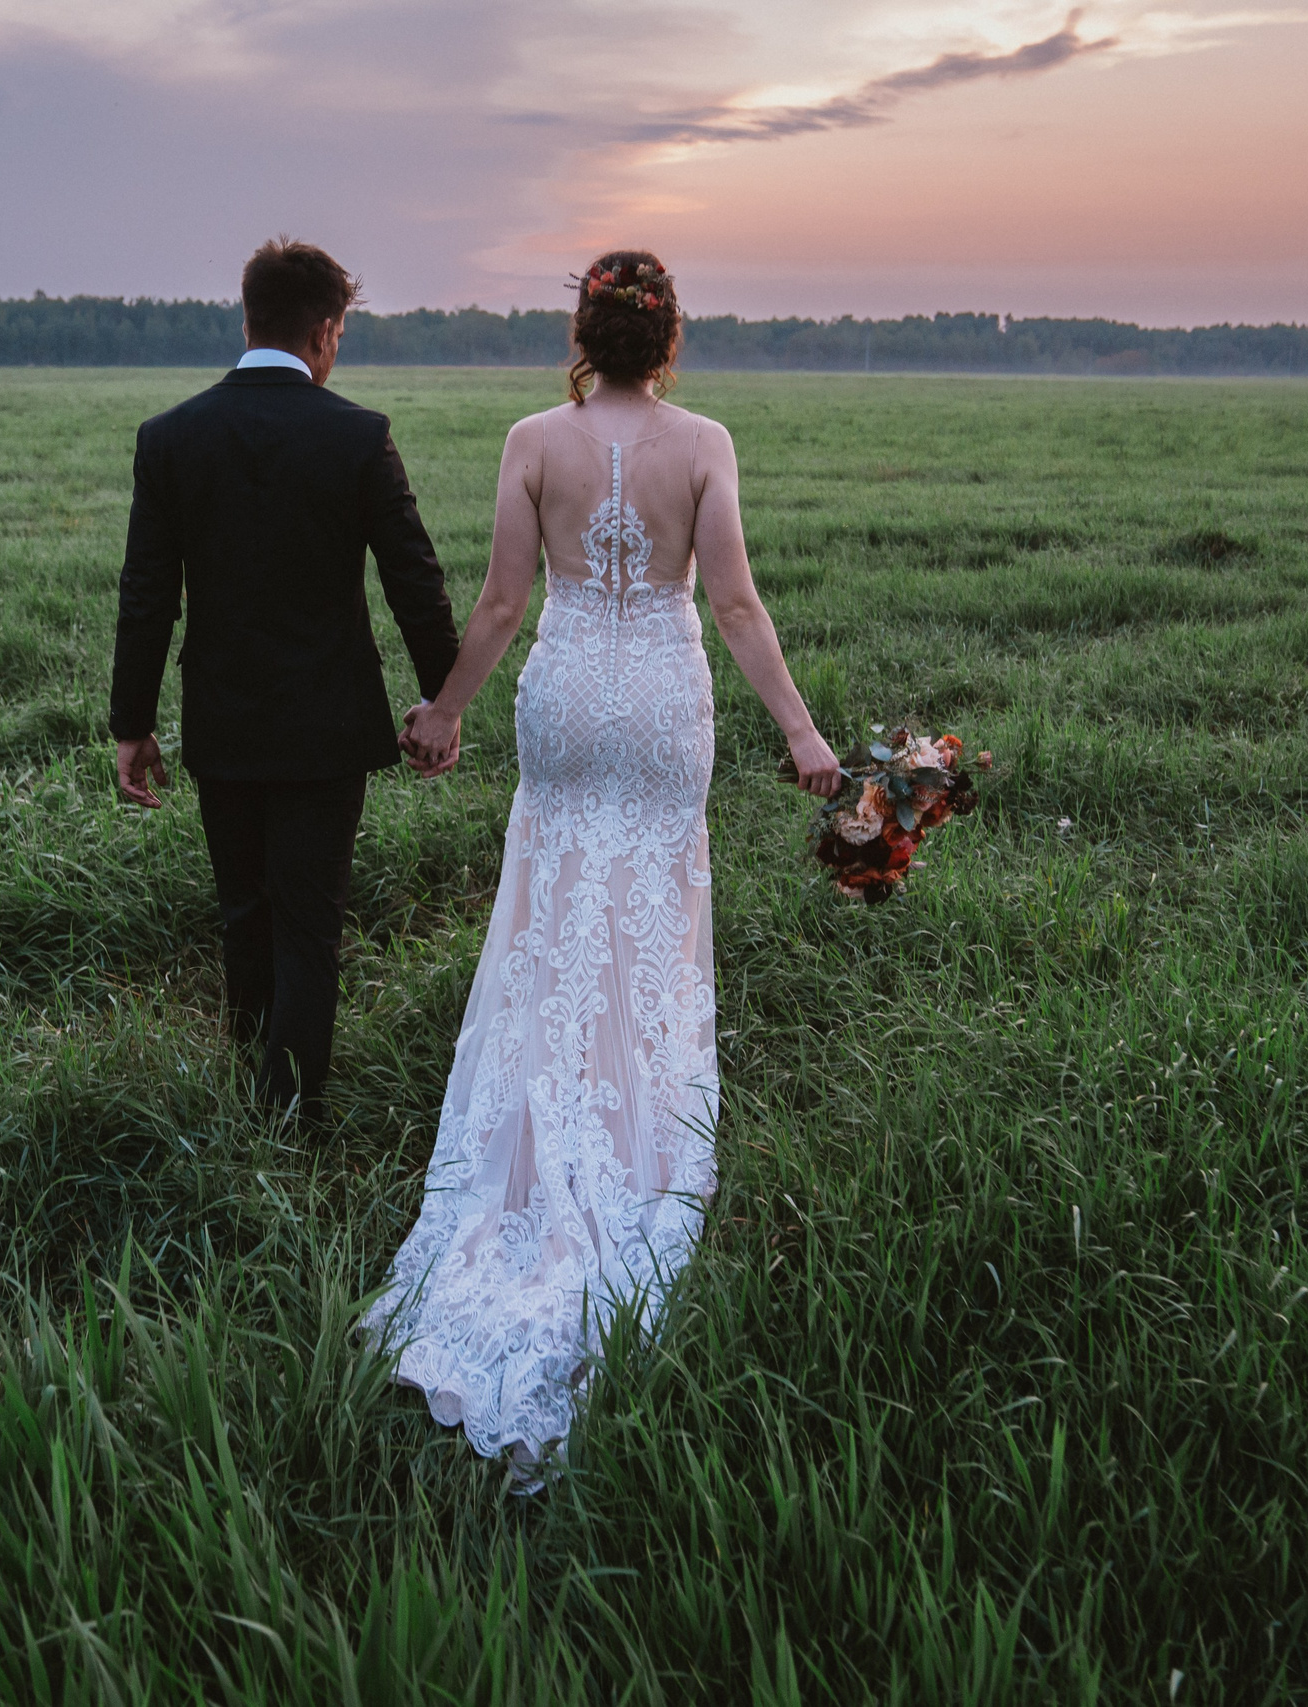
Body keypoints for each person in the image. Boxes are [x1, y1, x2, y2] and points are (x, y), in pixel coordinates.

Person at [365, 250, 843, 1488]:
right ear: (669, 337)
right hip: (662, 698)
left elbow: (498, 605)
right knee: (649, 905)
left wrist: (442, 712)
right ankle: (633, 1118)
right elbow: (734, 605)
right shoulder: (705, 442)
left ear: (580, 333)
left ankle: (536, 1122)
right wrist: (799, 732)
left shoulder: (534, 437)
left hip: (572, 694)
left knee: (554, 904)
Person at [108, 238, 459, 1117]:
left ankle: (249, 1095)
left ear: (246, 319)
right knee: (310, 925)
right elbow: (413, 576)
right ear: (327, 332)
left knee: (243, 914)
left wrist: (132, 724)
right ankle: (289, 1117)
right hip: (328, 727)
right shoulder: (358, 436)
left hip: (221, 723)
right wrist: (443, 699)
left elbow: (146, 595)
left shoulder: (170, 437)